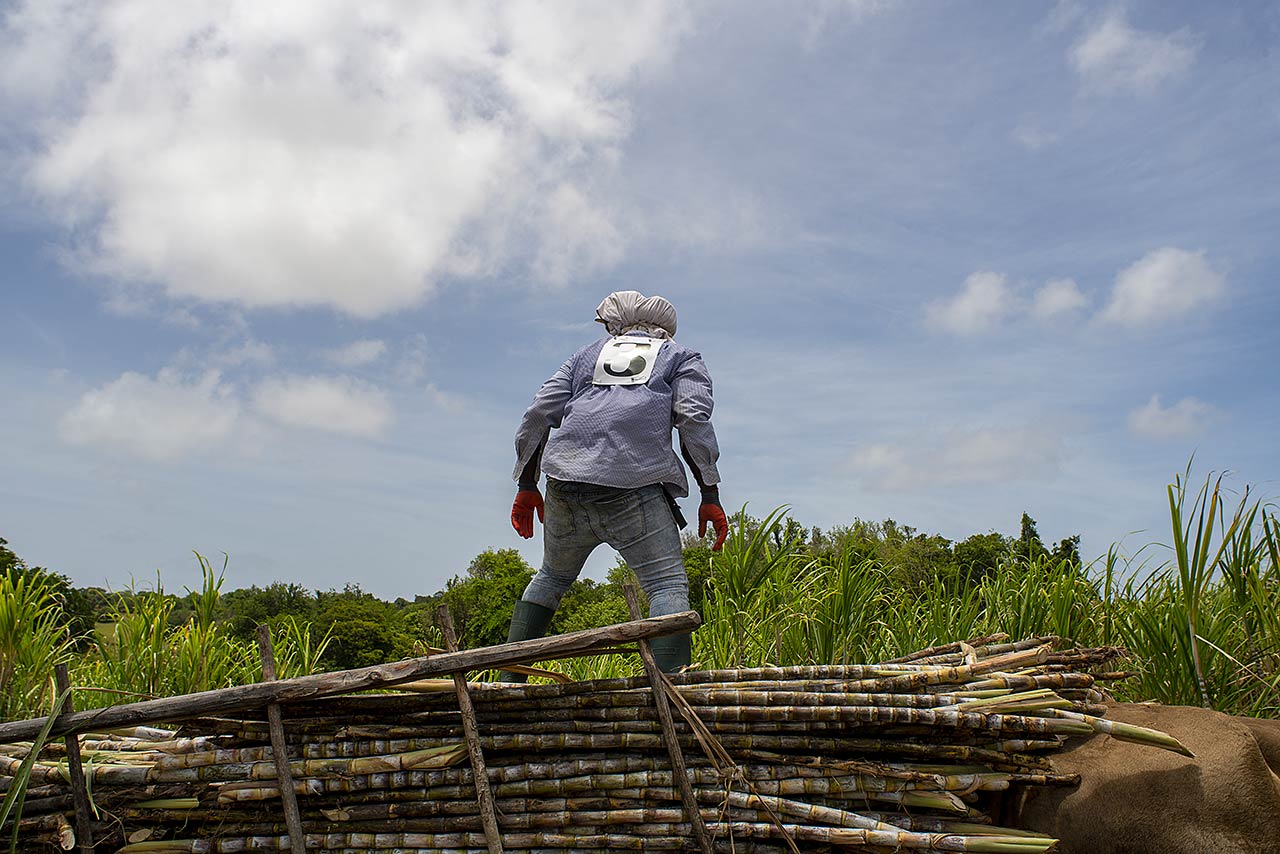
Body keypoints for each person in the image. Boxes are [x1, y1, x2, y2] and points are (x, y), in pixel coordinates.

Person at [505, 290, 728, 675]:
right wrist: (709, 493)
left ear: (615, 324)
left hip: (564, 485)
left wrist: (527, 485)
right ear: (666, 331)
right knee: (666, 587)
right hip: (633, 491)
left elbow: (539, 412)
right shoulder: (680, 357)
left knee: (551, 577)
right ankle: (673, 699)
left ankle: (506, 682)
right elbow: (692, 419)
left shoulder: (585, 356)